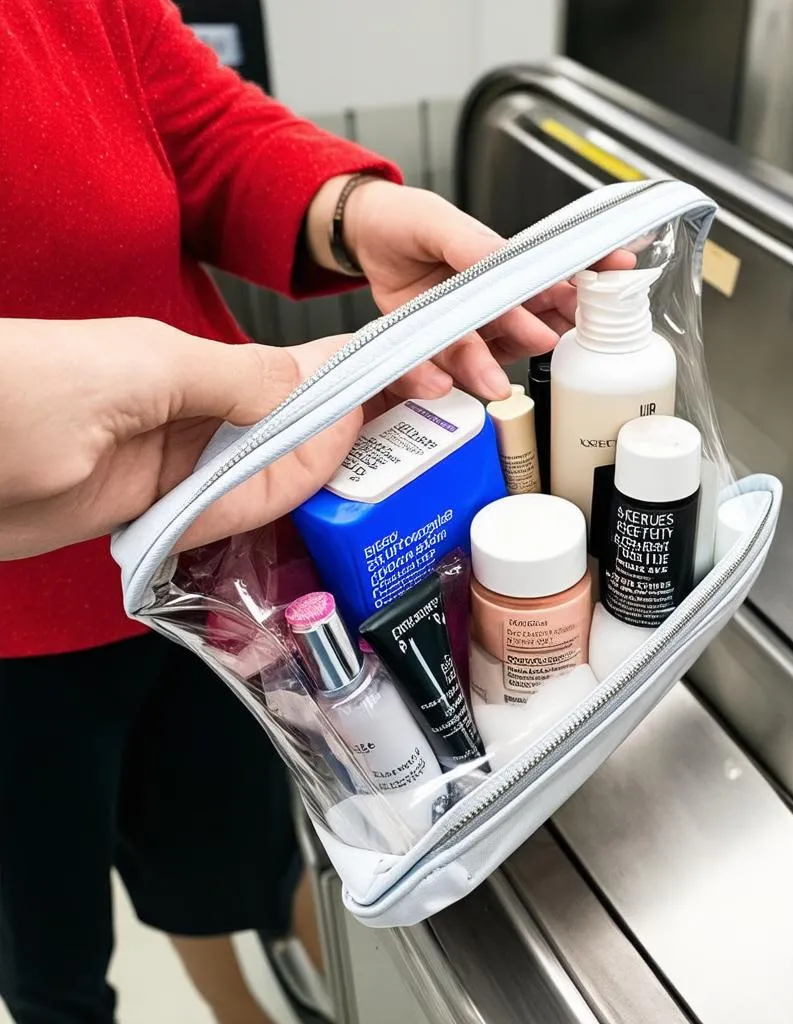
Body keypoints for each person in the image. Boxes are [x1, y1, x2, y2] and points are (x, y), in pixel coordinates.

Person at [0, 2, 592, 1022]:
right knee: (47, 956)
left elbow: (191, 124)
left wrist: (347, 209)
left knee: (235, 865)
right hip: (17, 648)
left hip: (220, 552)